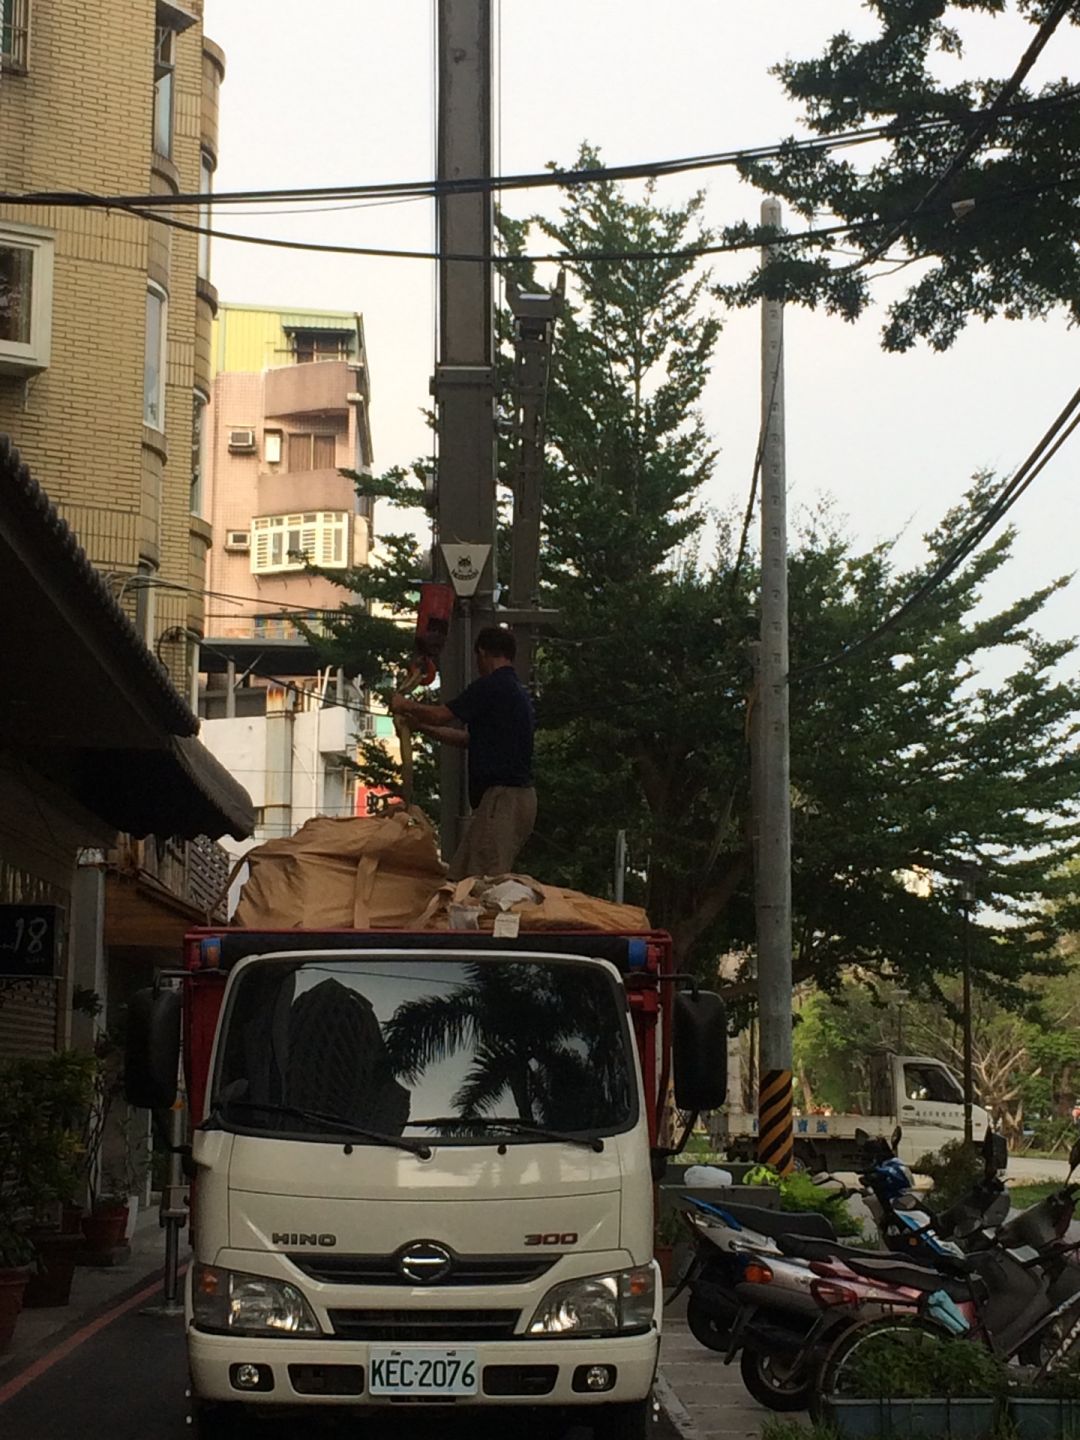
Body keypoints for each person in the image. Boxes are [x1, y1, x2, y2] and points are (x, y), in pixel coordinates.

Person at [390, 626, 536, 880]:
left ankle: (485, 921)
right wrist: (421, 727)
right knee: (462, 874)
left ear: (482, 653)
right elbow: (468, 738)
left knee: (483, 878)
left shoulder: (492, 686)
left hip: (502, 798)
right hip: (514, 799)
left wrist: (404, 704)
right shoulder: (513, 691)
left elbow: (443, 715)